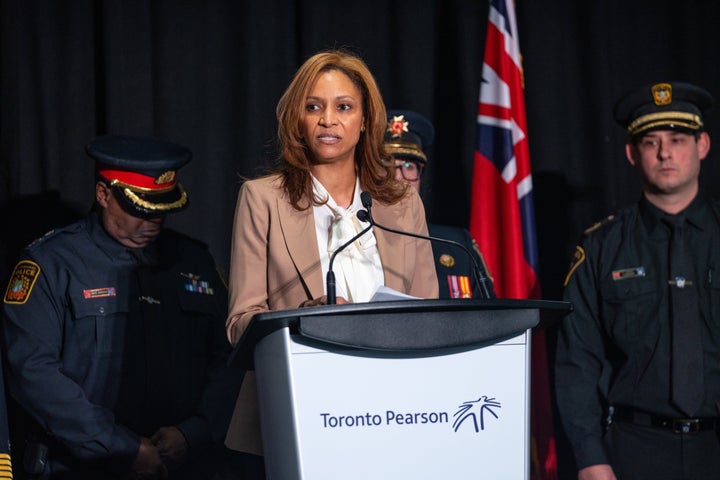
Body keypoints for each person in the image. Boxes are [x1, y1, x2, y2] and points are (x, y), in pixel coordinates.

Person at [224, 50, 438, 462]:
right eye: (313, 107)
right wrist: (308, 317)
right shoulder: (262, 199)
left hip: (397, 412)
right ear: (297, 121)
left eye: (343, 107)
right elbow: (239, 323)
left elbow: (429, 312)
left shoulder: (402, 204)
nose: (328, 120)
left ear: (365, 121)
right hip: (300, 411)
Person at [2, 135, 237, 479]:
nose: (154, 222)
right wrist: (119, 446)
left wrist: (195, 432)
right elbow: (32, 372)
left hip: (187, 465)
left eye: (163, 210)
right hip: (82, 468)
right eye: (140, 209)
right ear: (103, 194)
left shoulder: (193, 260)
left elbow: (230, 356)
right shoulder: (52, 264)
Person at [555, 81, 720, 480]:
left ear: (702, 146)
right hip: (633, 451)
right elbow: (578, 360)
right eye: (651, 142)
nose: (665, 152)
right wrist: (589, 456)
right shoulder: (600, 247)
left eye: (678, 139)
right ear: (632, 153)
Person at [384, 109, 495, 299]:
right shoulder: (353, 242)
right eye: (385, 165)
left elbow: (491, 318)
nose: (398, 178)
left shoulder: (457, 245)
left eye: (409, 167)